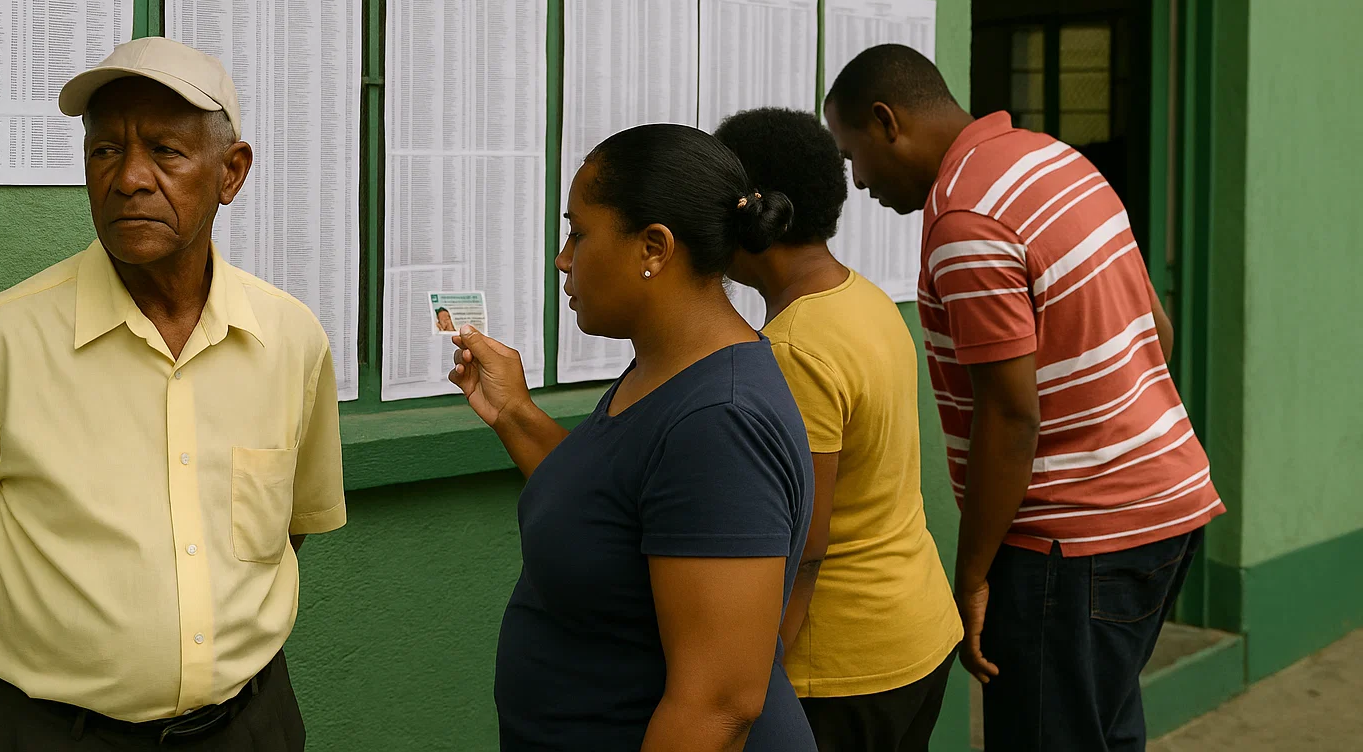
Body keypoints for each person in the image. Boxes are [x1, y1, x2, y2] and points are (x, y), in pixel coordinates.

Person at [0, 37, 348, 750]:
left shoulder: (290, 340)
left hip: (253, 726)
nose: (130, 178)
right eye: (106, 150)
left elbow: (290, 528)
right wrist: (34, 699)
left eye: (165, 151)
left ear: (231, 172)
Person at [823, 44, 1224, 752]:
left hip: (1072, 542)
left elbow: (1011, 416)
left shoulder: (965, 219)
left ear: (888, 122)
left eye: (854, 154)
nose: (859, 180)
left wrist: (973, 574)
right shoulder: (1055, 160)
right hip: (1170, 506)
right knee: (1103, 728)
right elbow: (1155, 331)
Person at [448, 123, 816, 752]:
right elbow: (610, 508)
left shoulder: (720, 423)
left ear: (653, 247)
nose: (564, 259)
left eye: (579, 233)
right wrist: (514, 413)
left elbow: (719, 704)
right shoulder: (667, 369)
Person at [716, 108, 962, 752]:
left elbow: (807, 542)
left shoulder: (795, 347)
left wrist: (755, 673)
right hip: (917, 629)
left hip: (843, 664)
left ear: (753, 214)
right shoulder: (864, 298)